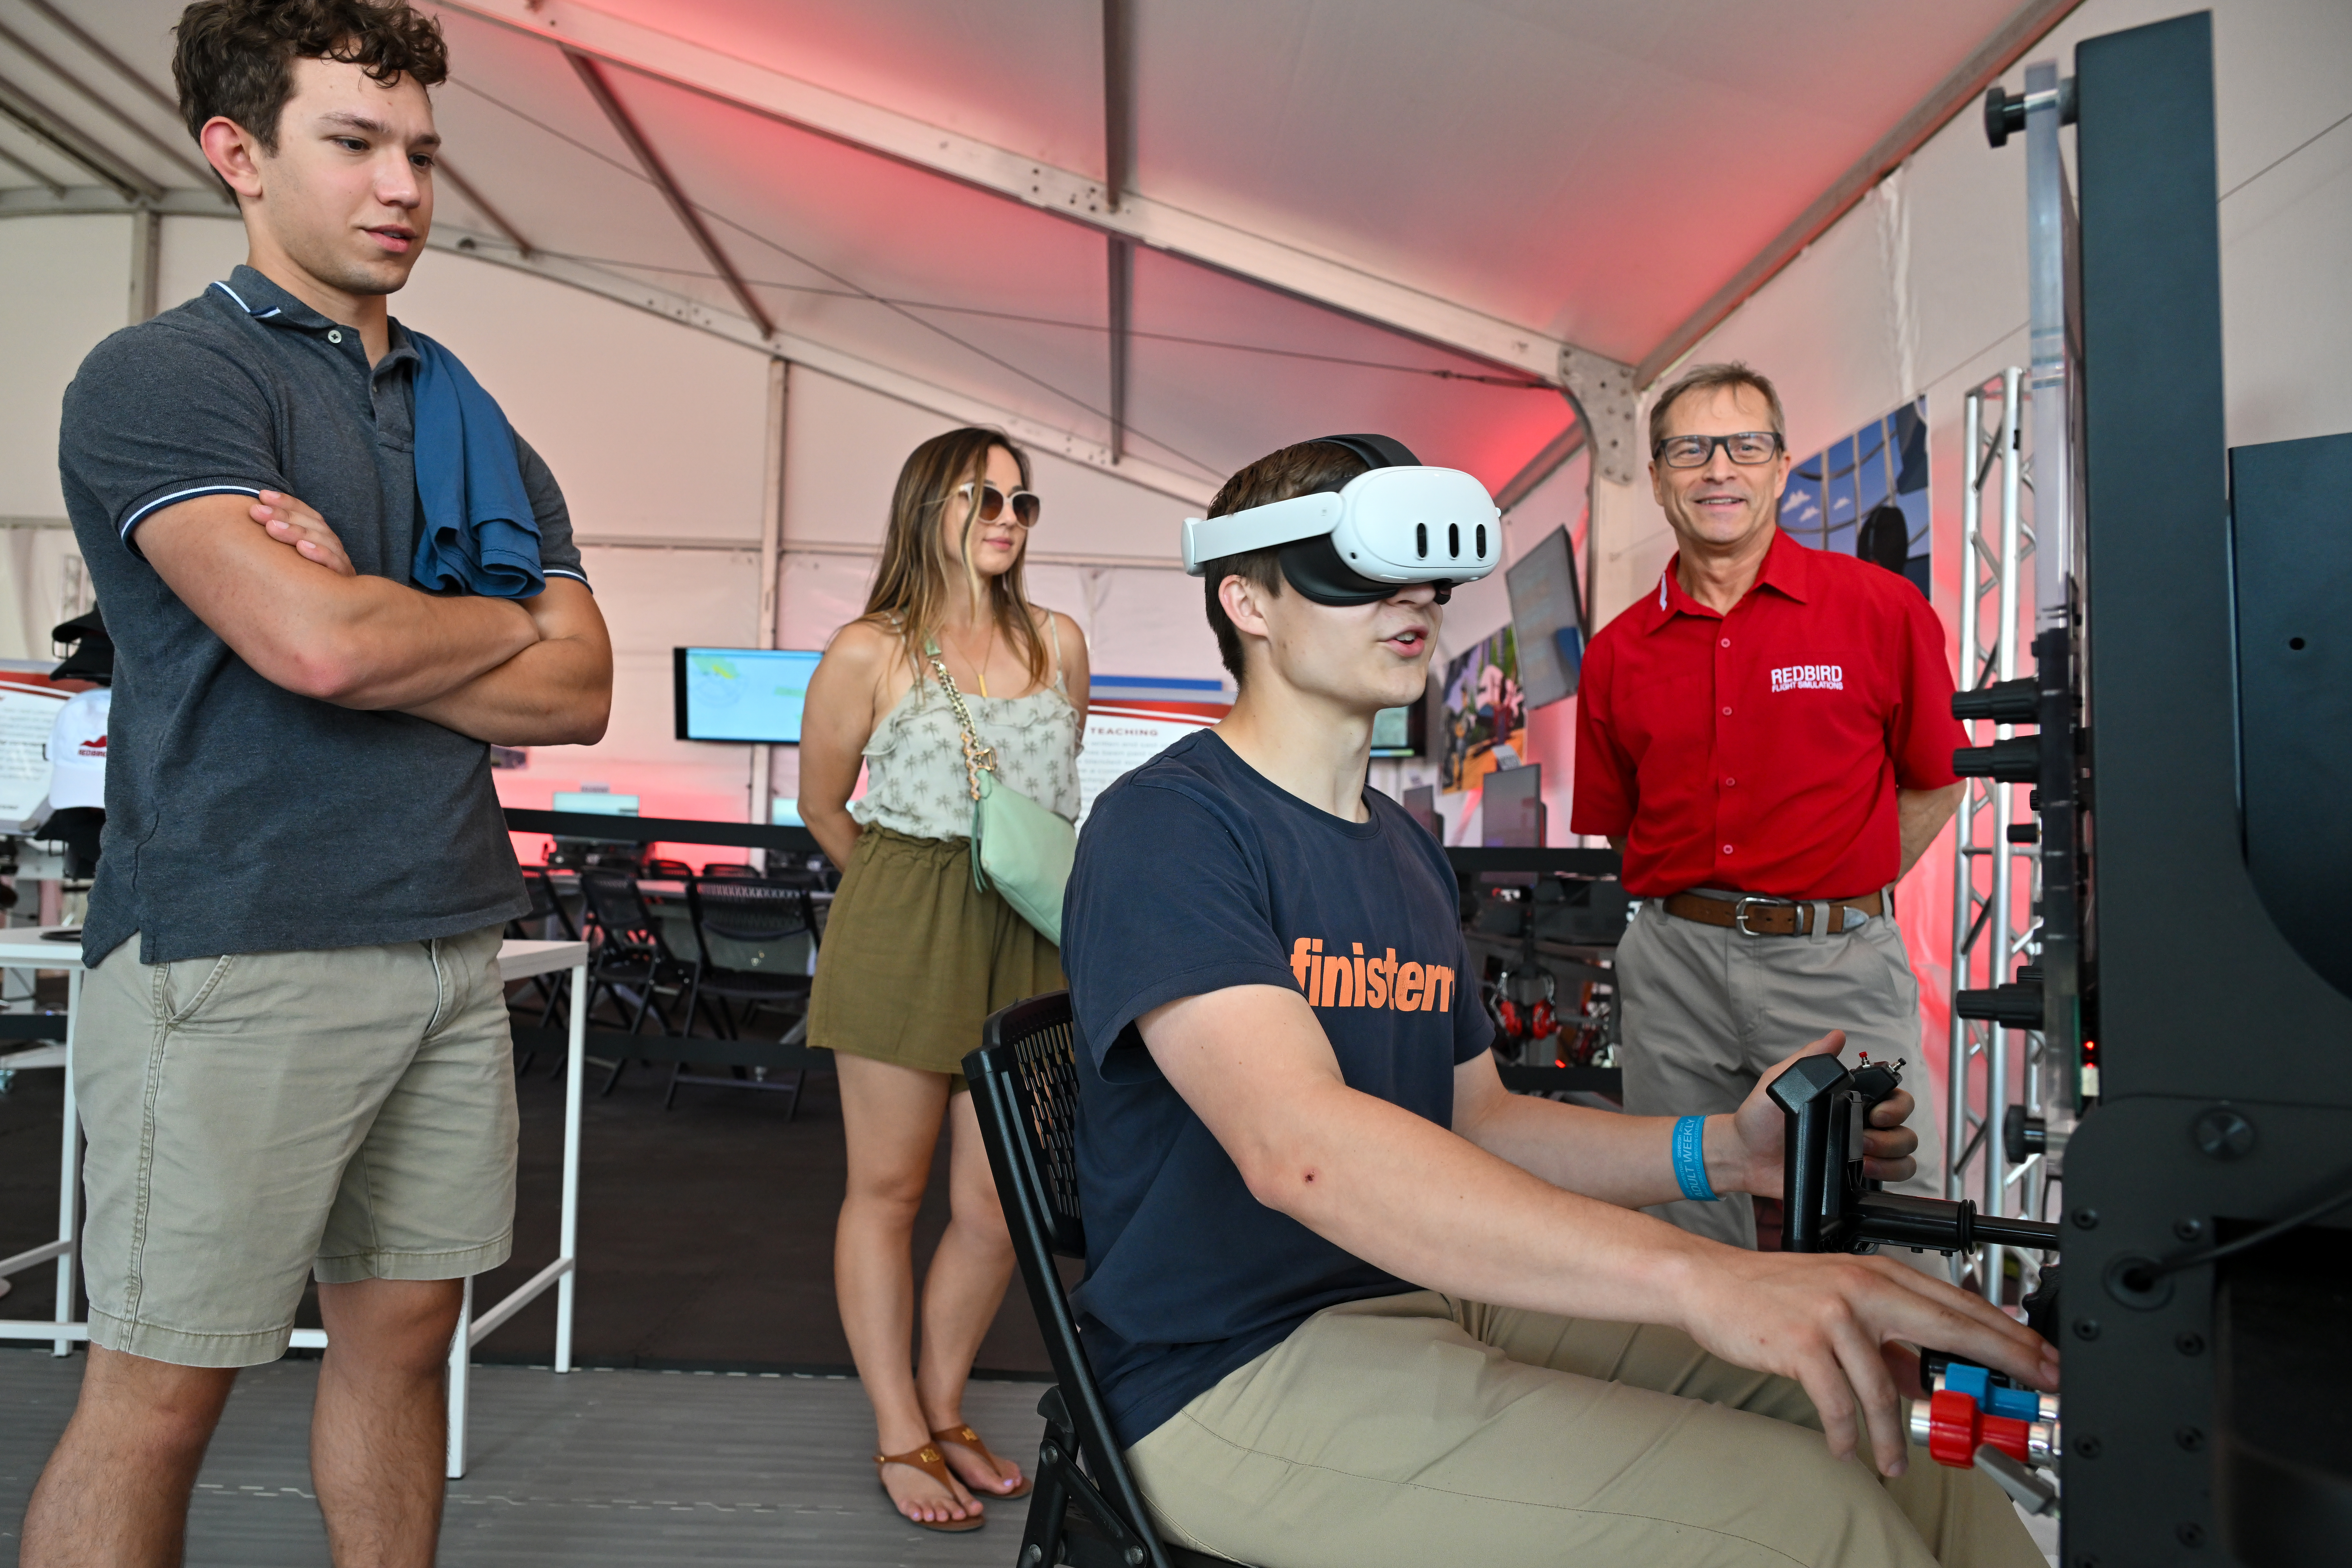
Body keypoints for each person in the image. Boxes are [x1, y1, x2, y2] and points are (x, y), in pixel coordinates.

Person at [1058, 437, 2051, 1567]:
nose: (1414, 603)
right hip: (1229, 1369)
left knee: (1889, 1433)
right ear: (1246, 600)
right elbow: (1302, 1150)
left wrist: (1725, 1152)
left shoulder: (1400, 848)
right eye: (1358, 570)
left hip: (1421, 1297)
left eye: (1428, 578)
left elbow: (1477, 1123)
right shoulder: (1173, 827)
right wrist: (1699, 1273)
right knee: (1808, 1519)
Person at [21, 4, 611, 1564]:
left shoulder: (462, 410)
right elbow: (316, 648)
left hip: (443, 936)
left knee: (407, 1338)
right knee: (160, 1389)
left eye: (418, 149)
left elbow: (586, 686)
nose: (402, 184)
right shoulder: (162, 378)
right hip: (234, 947)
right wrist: (395, 624)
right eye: (352, 143)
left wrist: (373, 606)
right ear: (238, 154)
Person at [1572, 362, 1967, 1258]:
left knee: (1890, 1212)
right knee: (1679, 1219)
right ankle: (1704, 1398)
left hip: (1838, 966)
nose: (1720, 469)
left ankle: (1902, 1394)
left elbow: (1937, 778)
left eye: (1744, 446)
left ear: (1781, 465)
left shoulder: (1879, 609)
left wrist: (1833, 888)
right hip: (1671, 967)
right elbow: (1619, 820)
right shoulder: (1615, 654)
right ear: (1659, 475)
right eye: (1691, 449)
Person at [799, 427, 1089, 1532]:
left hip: (1028, 930)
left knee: (999, 1204)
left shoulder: (1060, 642)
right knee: (888, 1192)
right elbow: (824, 806)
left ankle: (943, 1402)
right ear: (929, 508)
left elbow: (1053, 801)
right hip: (903, 917)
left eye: (1021, 502)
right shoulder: (869, 650)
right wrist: (896, 902)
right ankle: (896, 1428)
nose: (1008, 518)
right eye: (982, 499)